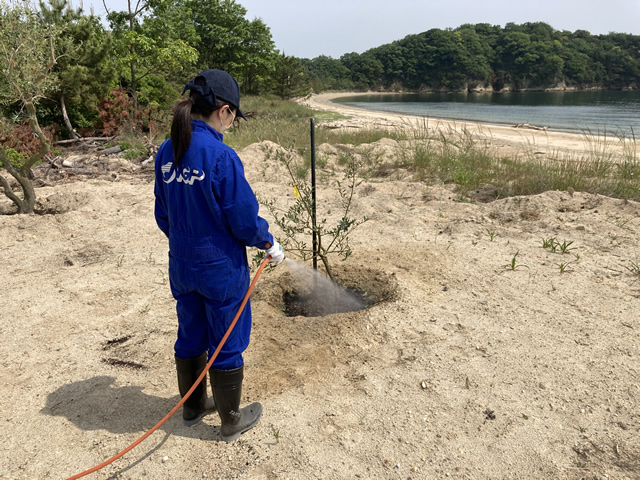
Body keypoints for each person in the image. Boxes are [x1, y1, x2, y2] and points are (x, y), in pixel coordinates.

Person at [154, 69, 285, 442]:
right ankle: (230, 420)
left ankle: (193, 408)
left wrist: (185, 242)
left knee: (191, 331)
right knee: (227, 337)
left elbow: (162, 213)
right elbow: (243, 218)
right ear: (224, 111)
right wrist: (267, 242)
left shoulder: (167, 150)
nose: (231, 123)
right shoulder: (221, 156)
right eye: (233, 117)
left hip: (181, 262)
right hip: (220, 267)